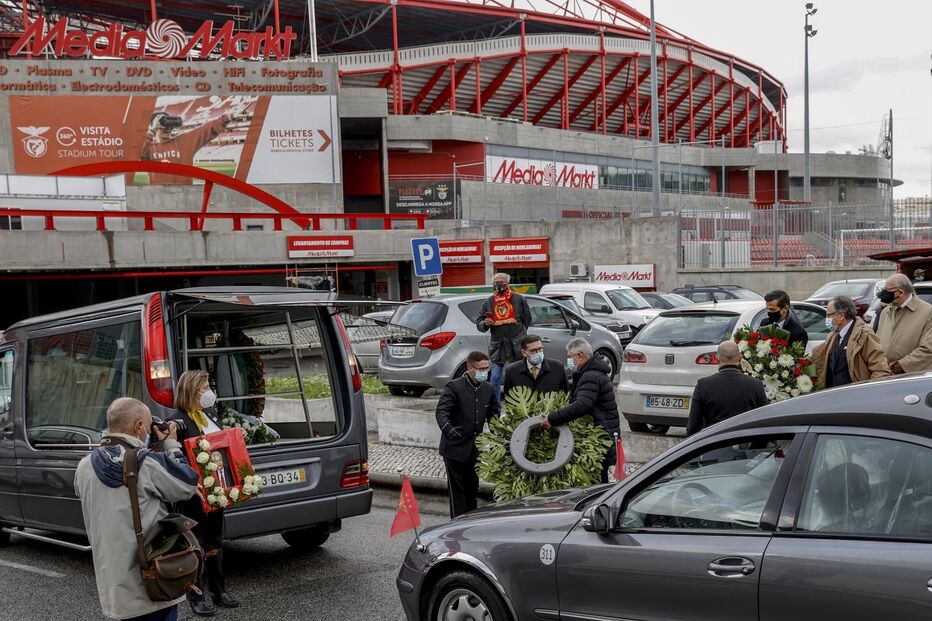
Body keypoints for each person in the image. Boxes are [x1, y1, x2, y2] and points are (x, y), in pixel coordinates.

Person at [75, 397, 199, 621]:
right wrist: (170, 444)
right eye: (149, 424)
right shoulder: (146, 462)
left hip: (114, 583)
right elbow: (187, 483)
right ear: (139, 426)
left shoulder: (83, 467)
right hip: (153, 577)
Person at [168, 370, 239, 616]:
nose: (209, 390)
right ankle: (196, 595)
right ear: (191, 390)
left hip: (216, 490)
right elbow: (172, 457)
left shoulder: (209, 415)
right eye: (204, 385)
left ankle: (219, 590)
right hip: (192, 495)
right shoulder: (177, 420)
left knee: (215, 541)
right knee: (194, 545)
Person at [541, 338, 619, 483]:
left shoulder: (591, 376)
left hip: (601, 435)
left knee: (599, 482)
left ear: (581, 356)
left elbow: (582, 405)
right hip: (605, 431)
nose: (569, 360)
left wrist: (553, 418)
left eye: (570, 357)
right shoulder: (594, 373)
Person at [435, 351, 500, 518]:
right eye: (481, 368)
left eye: (487, 368)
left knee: (473, 487)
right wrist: (448, 428)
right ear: (470, 368)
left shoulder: (488, 388)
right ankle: (457, 522)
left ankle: (471, 520)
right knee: (458, 490)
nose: (485, 372)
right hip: (454, 447)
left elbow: (494, 416)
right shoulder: (454, 386)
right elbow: (442, 411)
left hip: (475, 448)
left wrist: (498, 436)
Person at [686, 341, 767, 436]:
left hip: (713, 444)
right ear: (740, 358)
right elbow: (764, 422)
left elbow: (693, 427)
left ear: (717, 358)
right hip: (744, 445)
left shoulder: (703, 385)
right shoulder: (755, 385)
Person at [811, 296, 890, 389]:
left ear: (841, 316)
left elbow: (880, 369)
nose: (827, 319)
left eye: (829, 315)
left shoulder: (864, 335)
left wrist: (868, 393)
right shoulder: (833, 335)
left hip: (855, 397)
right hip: (834, 396)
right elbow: (818, 358)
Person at [476, 273, 532, 400]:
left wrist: (520, 335)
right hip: (498, 346)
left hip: (517, 346)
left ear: (508, 284)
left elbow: (527, 319)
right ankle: (495, 408)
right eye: (496, 283)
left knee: (520, 377)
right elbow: (479, 322)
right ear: (492, 286)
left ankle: (520, 402)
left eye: (502, 282)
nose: (499, 285)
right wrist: (485, 323)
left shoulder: (519, 299)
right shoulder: (488, 302)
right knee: (495, 378)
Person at [876, 273, 932, 374]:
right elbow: (877, 343)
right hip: (886, 376)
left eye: (887, 291)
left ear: (900, 292)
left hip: (913, 378)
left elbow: (928, 349)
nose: (884, 294)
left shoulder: (928, 312)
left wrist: (901, 365)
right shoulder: (885, 312)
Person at [502, 334, 568, 398]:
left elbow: (565, 394)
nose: (538, 353)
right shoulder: (512, 371)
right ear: (524, 352)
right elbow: (509, 398)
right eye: (533, 351)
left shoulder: (557, 368)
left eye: (540, 349)